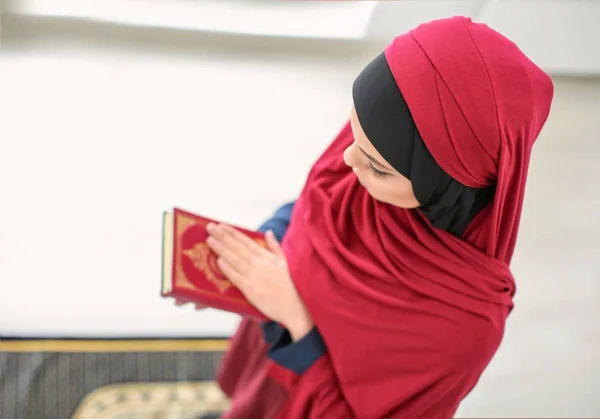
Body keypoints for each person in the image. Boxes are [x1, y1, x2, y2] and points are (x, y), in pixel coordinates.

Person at [201, 16, 554, 419]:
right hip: (270, 365)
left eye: (378, 167)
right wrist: (260, 247)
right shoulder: (374, 145)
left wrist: (295, 317)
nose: (346, 161)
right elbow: (311, 206)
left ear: (446, 188)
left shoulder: (463, 328)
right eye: (352, 132)